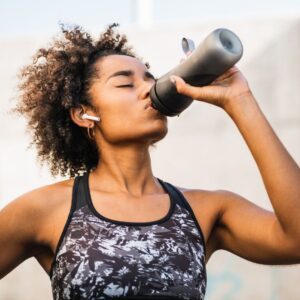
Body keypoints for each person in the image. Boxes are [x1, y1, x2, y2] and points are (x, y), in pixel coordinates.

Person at [0, 23, 299, 300]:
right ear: (84, 114)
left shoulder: (206, 210)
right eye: (125, 84)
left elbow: (295, 240)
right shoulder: (43, 210)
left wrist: (240, 99)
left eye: (150, 79)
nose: (148, 89)